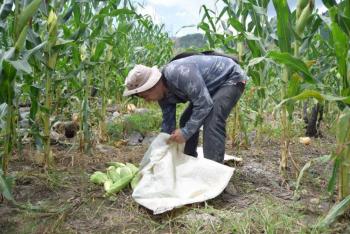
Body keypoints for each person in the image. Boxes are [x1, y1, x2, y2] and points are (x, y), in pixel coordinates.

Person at [123, 52, 248, 163]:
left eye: (146, 95)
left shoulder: (177, 73)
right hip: (208, 89)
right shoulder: (163, 95)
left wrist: (186, 132)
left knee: (213, 119)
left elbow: (204, 104)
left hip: (231, 78)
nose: (147, 100)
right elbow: (168, 124)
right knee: (185, 120)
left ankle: (213, 171)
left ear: (152, 85)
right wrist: (160, 150)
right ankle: (188, 159)